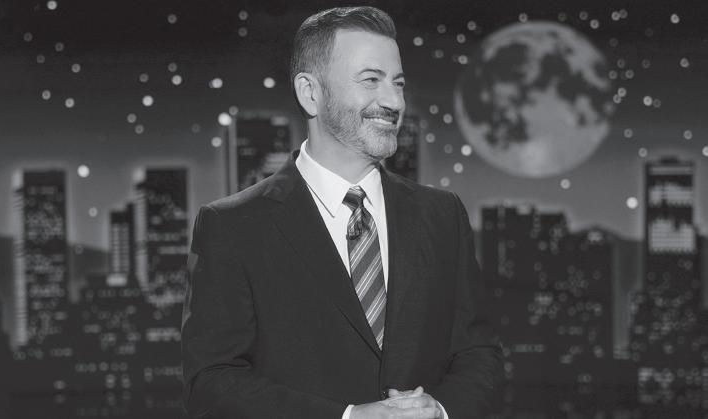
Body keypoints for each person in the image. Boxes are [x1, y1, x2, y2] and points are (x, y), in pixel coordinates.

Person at [181, 6, 503, 419]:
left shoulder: (442, 216)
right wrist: (347, 416)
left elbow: (479, 355)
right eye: (371, 80)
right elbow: (211, 384)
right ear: (310, 93)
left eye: (398, 83)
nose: (393, 101)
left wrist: (440, 410)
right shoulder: (233, 226)